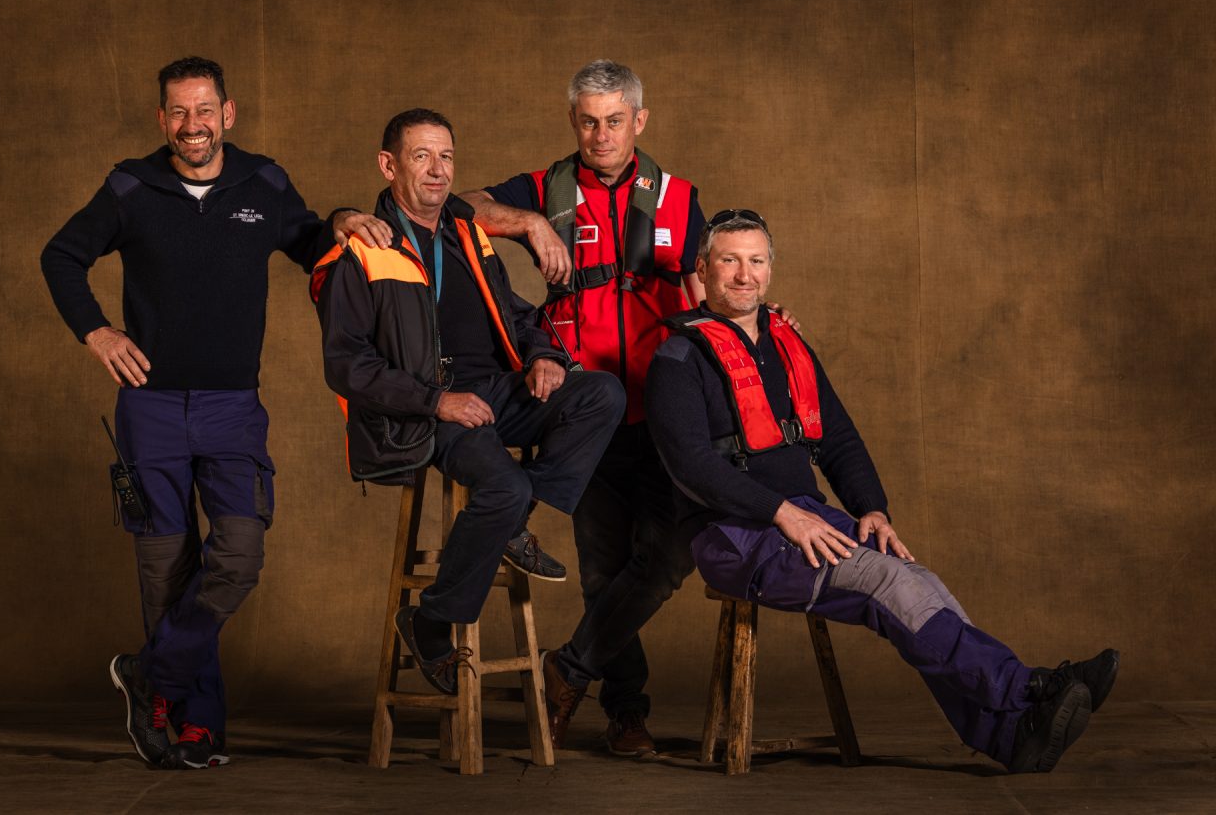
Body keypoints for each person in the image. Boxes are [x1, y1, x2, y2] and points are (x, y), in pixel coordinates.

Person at [644, 209, 1119, 773]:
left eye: (756, 261)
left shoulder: (787, 342)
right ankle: (1028, 688)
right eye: (729, 261)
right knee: (887, 582)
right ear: (702, 270)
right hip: (734, 536)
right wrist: (780, 513)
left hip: (806, 517)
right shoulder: (677, 358)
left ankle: (1011, 735)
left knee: (919, 579)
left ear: (771, 269)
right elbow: (691, 466)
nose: (744, 274)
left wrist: (872, 508)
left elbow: (838, 436)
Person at [40, 56, 388, 769]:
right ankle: (192, 726)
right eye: (178, 111)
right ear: (161, 118)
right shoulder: (130, 186)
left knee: (237, 555)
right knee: (165, 573)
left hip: (233, 408)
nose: (192, 125)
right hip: (150, 408)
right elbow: (61, 255)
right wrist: (96, 332)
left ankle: (149, 675)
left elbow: (313, 244)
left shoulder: (264, 182)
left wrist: (345, 219)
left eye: (204, 110)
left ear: (227, 113)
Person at [311, 109, 624, 694]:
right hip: (427, 409)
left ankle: (513, 523)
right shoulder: (359, 254)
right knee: (504, 487)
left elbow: (516, 314)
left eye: (446, 156)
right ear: (388, 166)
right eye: (421, 156)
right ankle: (430, 622)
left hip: (497, 391)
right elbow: (347, 367)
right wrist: (437, 402)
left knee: (601, 392)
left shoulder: (467, 234)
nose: (438, 170)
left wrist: (543, 356)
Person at [460, 59, 709, 755]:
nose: (602, 135)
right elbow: (457, 210)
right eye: (590, 121)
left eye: (615, 121)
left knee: (665, 560)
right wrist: (529, 223)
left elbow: (711, 291)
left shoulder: (681, 199)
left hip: (664, 413)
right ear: (574, 120)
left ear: (640, 121)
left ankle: (567, 669)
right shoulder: (545, 188)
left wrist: (766, 324)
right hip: (585, 413)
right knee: (602, 570)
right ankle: (627, 713)